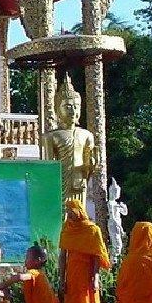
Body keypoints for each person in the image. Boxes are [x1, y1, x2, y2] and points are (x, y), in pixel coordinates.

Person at [58, 198, 111, 303]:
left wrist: (95, 277)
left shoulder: (92, 230)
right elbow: (63, 256)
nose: (70, 215)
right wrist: (62, 279)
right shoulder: (67, 229)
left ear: (79, 211)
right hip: (73, 274)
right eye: (68, 212)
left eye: (72, 211)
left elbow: (96, 255)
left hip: (87, 274)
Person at [40, 78, 95, 211]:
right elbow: (49, 164)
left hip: (78, 179)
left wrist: (91, 164)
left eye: (76, 107)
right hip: (60, 179)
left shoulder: (86, 135)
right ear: (57, 110)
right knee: (61, 212)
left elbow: (89, 164)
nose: (72, 110)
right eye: (67, 106)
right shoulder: (51, 136)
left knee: (78, 211)